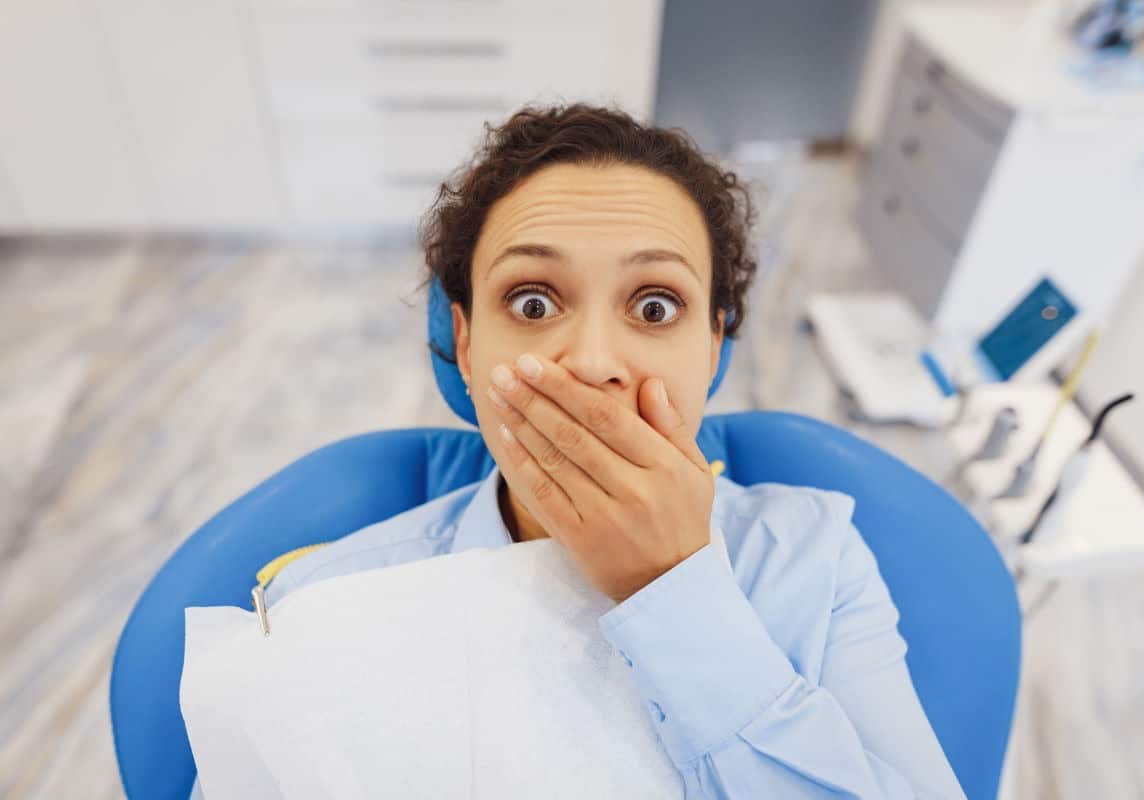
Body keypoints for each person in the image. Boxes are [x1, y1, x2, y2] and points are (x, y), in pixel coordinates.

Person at [190, 103, 965, 799]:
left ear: (713, 345)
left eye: (655, 305)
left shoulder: (815, 562)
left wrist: (675, 591)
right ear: (464, 344)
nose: (593, 360)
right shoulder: (331, 604)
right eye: (533, 302)